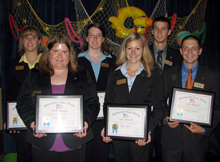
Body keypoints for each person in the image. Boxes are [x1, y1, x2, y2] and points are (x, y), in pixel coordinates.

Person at [16, 33, 100, 162]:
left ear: (70, 54)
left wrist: (86, 121)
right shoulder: (34, 74)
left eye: (64, 52)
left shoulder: (82, 74)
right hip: (42, 142)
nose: (60, 56)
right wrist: (33, 122)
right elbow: (23, 101)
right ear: (48, 52)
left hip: (75, 142)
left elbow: (93, 102)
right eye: (55, 51)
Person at [101, 32, 166, 162]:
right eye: (129, 48)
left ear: (144, 50)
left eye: (137, 48)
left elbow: (160, 106)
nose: (133, 52)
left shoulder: (153, 73)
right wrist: (107, 126)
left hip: (141, 136)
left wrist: (147, 130)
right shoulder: (115, 73)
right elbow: (108, 103)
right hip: (118, 134)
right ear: (124, 50)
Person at [162, 35, 220, 162]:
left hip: (197, 142)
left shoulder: (213, 76)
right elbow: (159, 102)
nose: (189, 52)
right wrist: (166, 119)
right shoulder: (167, 74)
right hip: (171, 141)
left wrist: (205, 129)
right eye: (186, 48)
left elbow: (217, 109)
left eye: (194, 48)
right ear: (181, 51)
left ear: (200, 51)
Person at [5, 26, 44, 162]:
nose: (29, 40)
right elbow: (10, 93)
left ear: (39, 41)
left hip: (43, 118)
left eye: (33, 37)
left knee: (42, 156)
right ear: (22, 40)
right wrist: (10, 119)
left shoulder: (47, 63)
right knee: (24, 156)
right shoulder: (14, 64)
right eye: (26, 37)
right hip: (21, 118)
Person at [78, 23, 116, 162]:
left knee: (101, 156)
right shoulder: (76, 60)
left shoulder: (113, 61)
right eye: (91, 35)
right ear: (86, 38)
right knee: (84, 156)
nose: (95, 38)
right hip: (84, 116)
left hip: (104, 118)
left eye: (98, 35)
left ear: (103, 39)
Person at [149, 16, 182, 162]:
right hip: (148, 116)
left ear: (169, 32)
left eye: (163, 28)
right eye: (156, 28)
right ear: (152, 31)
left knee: (167, 157)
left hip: (170, 118)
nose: (160, 32)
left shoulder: (178, 56)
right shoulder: (141, 53)